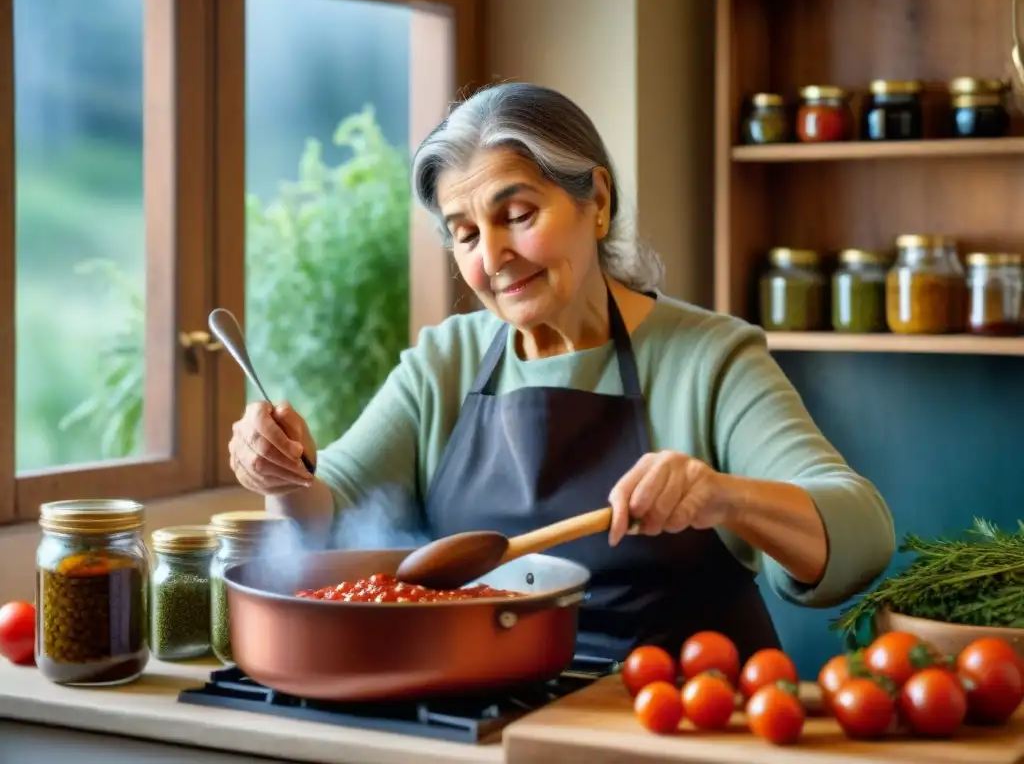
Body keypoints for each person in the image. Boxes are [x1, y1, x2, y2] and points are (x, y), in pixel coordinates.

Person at [227, 82, 895, 663]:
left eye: (517, 216)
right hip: (498, 708)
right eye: (464, 234)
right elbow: (332, 512)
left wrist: (723, 495)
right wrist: (282, 472)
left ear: (596, 200)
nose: (492, 257)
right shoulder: (445, 363)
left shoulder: (707, 358)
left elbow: (862, 534)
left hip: (680, 716)